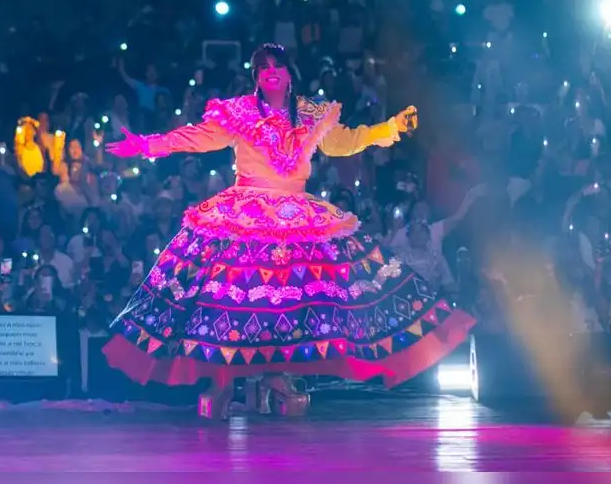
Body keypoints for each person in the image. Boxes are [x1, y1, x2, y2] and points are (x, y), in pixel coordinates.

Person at [104, 43, 475, 419]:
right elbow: (197, 137)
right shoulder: (241, 113)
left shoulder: (312, 114)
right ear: (255, 77)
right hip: (244, 213)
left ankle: (275, 375)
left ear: (289, 72)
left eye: (276, 65)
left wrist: (389, 128)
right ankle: (223, 378)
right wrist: (148, 145)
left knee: (281, 300)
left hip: (295, 215)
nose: (270, 71)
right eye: (261, 67)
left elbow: (344, 141)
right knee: (236, 297)